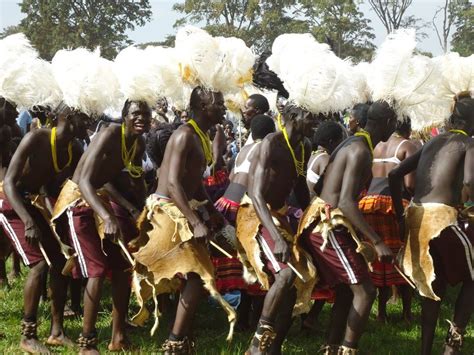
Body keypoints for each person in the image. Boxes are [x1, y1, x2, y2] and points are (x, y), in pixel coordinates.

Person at [131, 87, 235, 354]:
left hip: (182, 205)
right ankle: (175, 342)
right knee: (197, 273)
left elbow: (194, 182)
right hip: (168, 207)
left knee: (196, 274)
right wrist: (195, 220)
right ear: (201, 106)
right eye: (219, 103)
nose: (224, 108)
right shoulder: (184, 135)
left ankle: (182, 337)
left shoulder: (202, 135)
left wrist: (212, 212)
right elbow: (174, 183)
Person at [50, 100, 151, 354]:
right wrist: (107, 217)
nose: (142, 118)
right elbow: (84, 181)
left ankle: (118, 338)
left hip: (100, 202)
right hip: (77, 201)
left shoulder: (138, 144)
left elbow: (121, 182)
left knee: (121, 268)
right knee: (97, 270)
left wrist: (140, 210)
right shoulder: (109, 134)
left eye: (146, 115)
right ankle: (87, 343)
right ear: (125, 115)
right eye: (136, 113)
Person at [299, 101, 396, 354]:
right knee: (366, 291)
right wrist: (376, 240)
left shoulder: (351, 142)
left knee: (346, 289)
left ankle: (331, 346)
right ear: (386, 123)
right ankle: (346, 349)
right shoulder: (360, 150)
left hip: (326, 219)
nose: (396, 127)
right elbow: (345, 202)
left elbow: (321, 187)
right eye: (394, 122)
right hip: (327, 225)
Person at [389, 94, 474, 355]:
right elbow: (470, 182)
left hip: (415, 217)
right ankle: (453, 344)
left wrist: (398, 216)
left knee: (433, 287)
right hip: (441, 220)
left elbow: (394, 175)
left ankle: (425, 349)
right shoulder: (468, 143)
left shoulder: (432, 141)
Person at [1, 103, 89, 353]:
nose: (89, 123)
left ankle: (57, 332)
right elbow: (9, 183)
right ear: (70, 118)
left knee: (61, 262)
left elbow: (59, 189)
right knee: (39, 264)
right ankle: (28, 335)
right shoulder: (36, 138)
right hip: (11, 202)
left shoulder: (74, 148)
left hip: (35, 203)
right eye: (85, 117)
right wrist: (28, 222)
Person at [237, 105, 317, 354]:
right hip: (255, 214)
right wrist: (276, 237)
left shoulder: (304, 147)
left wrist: (314, 215)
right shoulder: (271, 143)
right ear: (294, 117)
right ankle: (255, 345)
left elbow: (301, 188)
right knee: (285, 274)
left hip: (279, 216)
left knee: (292, 285)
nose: (314, 121)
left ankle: (273, 347)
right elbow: (257, 194)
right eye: (310, 116)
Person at [212, 114, 275, 330]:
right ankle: (255, 320)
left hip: (227, 203)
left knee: (243, 264)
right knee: (256, 261)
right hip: (243, 207)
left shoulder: (244, 150)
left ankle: (242, 317)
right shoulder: (262, 150)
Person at [359, 118, 418, 323]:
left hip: (368, 204)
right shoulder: (407, 146)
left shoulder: (377, 145)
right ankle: (407, 313)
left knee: (379, 259)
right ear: (408, 129)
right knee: (402, 256)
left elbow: (365, 178)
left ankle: (381, 312)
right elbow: (410, 184)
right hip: (394, 205)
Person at [306, 121, 345, 198]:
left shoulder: (314, 154)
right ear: (331, 142)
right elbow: (333, 188)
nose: (342, 143)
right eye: (340, 140)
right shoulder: (325, 159)